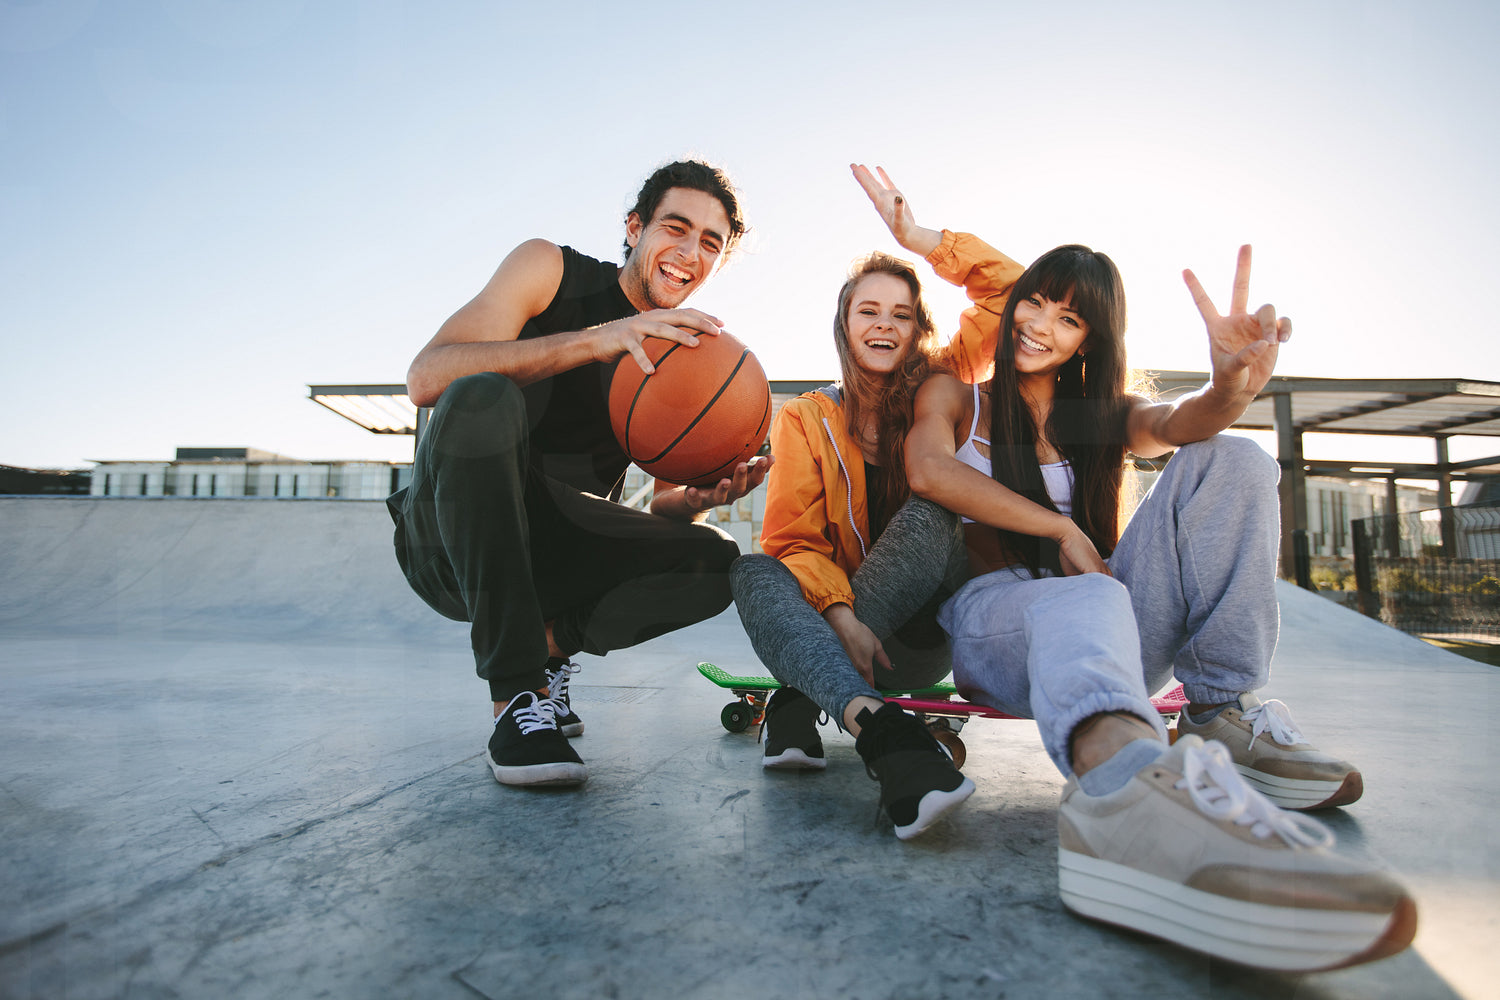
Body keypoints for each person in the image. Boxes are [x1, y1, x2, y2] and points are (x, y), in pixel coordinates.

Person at [904, 244, 1416, 969]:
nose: (1040, 324)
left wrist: (1229, 387)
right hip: (998, 628)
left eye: (1069, 317)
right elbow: (928, 470)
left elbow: (1180, 422)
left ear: (1091, 339)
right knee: (1086, 591)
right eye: (1035, 301)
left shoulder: (1098, 416)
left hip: (1112, 627)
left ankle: (1219, 714)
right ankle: (1123, 800)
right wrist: (1059, 528)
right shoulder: (958, 397)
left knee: (1233, 457)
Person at [389, 160, 771, 790]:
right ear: (635, 228)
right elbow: (427, 378)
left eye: (710, 242)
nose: (689, 253)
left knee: (716, 559)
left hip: (555, 549)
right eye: (675, 228)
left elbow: (651, 511)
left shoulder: (682, 350)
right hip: (448, 539)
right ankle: (517, 698)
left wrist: (694, 500)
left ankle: (547, 651)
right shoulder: (550, 269)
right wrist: (598, 340)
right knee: (481, 396)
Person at [730, 166, 1024, 840]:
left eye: (901, 313)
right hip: (840, 633)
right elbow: (795, 540)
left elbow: (1015, 296)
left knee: (934, 504)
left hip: (913, 642)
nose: (885, 325)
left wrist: (923, 240)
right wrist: (840, 615)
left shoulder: (944, 383)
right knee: (751, 569)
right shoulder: (806, 418)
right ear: (844, 324)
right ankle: (885, 737)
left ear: (919, 327)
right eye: (868, 310)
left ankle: (801, 690)